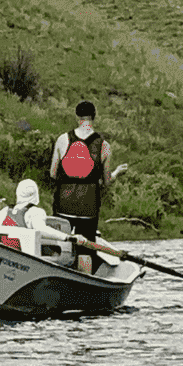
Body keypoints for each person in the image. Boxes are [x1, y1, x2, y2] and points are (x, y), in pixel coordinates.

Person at [49, 100, 127, 272]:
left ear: (77, 117)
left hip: (63, 203)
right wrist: (117, 173)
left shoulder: (63, 139)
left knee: (60, 243)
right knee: (86, 248)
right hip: (88, 207)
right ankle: (82, 283)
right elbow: (107, 181)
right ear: (94, 117)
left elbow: (53, 173)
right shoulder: (104, 146)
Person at [0, 179, 83, 249]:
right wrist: (68, 237)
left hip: (4, 251)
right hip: (24, 256)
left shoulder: (4, 211)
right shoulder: (35, 212)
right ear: (35, 194)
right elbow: (41, 229)